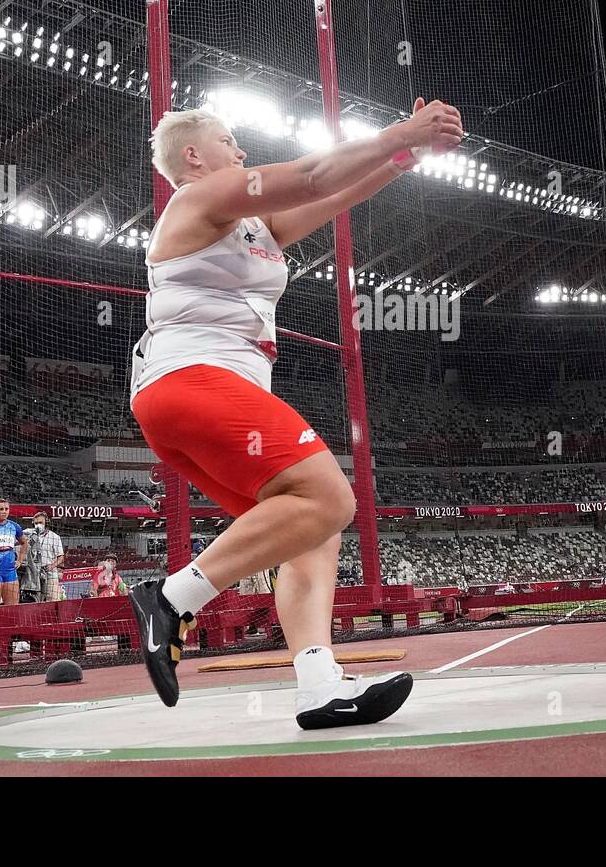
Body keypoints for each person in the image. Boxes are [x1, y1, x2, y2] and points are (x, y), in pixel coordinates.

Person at [127, 97, 461, 729]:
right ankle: (171, 598)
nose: (242, 151)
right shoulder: (200, 197)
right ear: (194, 155)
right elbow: (311, 175)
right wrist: (400, 129)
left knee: (312, 526)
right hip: (194, 380)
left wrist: (403, 155)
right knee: (333, 499)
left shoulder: (252, 228)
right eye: (229, 141)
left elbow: (330, 197)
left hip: (185, 398)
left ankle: (319, 685)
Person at [31, 512, 65, 601]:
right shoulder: (31, 536)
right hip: (35, 574)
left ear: (46, 523)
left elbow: (61, 557)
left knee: (53, 600)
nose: (38, 525)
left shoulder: (54, 537)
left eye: (40, 523)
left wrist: (52, 566)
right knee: (36, 601)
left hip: (50, 574)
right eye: (36, 523)